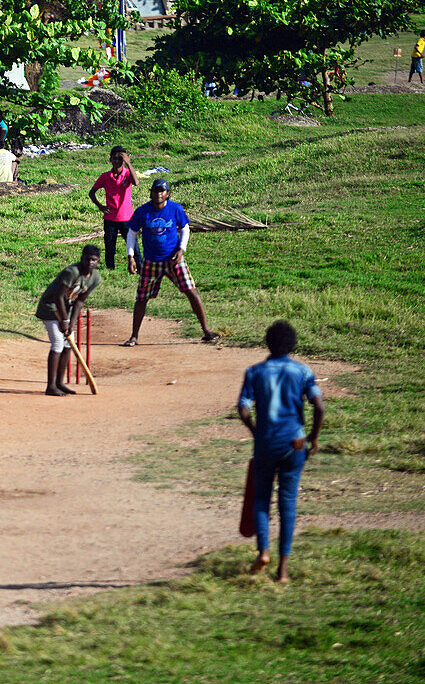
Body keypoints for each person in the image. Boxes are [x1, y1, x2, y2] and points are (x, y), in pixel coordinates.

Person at [237, 320, 325, 583]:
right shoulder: (303, 371)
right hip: (294, 444)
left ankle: (263, 552)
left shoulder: (254, 372)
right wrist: (312, 438)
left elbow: (243, 409)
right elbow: (319, 407)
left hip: (266, 442)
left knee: (262, 500)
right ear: (293, 345)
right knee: (287, 504)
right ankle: (283, 570)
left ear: (267, 343)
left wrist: (255, 431)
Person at [123, 179, 217, 345]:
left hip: (173, 259)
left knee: (191, 291)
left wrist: (181, 250)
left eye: (162, 191)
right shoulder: (142, 211)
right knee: (141, 298)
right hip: (151, 261)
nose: (159, 193)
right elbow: (132, 233)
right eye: (156, 190)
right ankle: (134, 336)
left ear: (167, 194)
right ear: (151, 192)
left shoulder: (175, 208)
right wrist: (131, 257)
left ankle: (206, 331)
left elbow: (185, 229)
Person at [35, 245, 102, 396]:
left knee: (68, 343)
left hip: (67, 309)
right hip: (50, 307)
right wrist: (64, 320)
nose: (90, 262)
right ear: (82, 258)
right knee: (58, 342)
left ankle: (60, 383)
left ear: (98, 262)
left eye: (94, 260)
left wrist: (71, 323)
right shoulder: (72, 272)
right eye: (87, 259)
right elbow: (58, 296)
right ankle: (50, 386)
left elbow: (79, 302)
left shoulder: (95, 278)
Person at [88, 146, 142, 271]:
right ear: (110, 159)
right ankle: (110, 268)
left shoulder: (127, 174)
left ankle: (140, 267)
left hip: (126, 217)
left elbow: (136, 182)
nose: (117, 161)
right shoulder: (105, 176)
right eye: (115, 158)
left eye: (120, 159)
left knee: (133, 244)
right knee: (110, 246)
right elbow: (92, 193)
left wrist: (129, 163)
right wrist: (100, 206)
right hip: (110, 217)